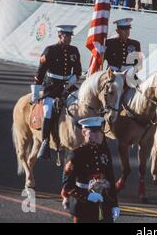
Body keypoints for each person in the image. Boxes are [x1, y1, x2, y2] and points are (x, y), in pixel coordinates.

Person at [31, 25, 82, 160]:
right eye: (66, 36)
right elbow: (40, 73)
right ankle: (45, 141)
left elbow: (78, 71)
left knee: (80, 102)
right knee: (48, 110)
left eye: (70, 36)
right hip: (52, 87)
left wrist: (73, 79)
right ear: (60, 36)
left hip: (68, 87)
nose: (69, 38)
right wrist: (35, 93)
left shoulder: (74, 50)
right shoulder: (50, 50)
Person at [61, 116, 119, 223]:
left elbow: (110, 178)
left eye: (100, 131)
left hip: (104, 205)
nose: (98, 135)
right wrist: (87, 196)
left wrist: (114, 204)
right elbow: (67, 185)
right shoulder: (76, 154)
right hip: (83, 207)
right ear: (84, 133)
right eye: (93, 132)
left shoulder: (104, 152)